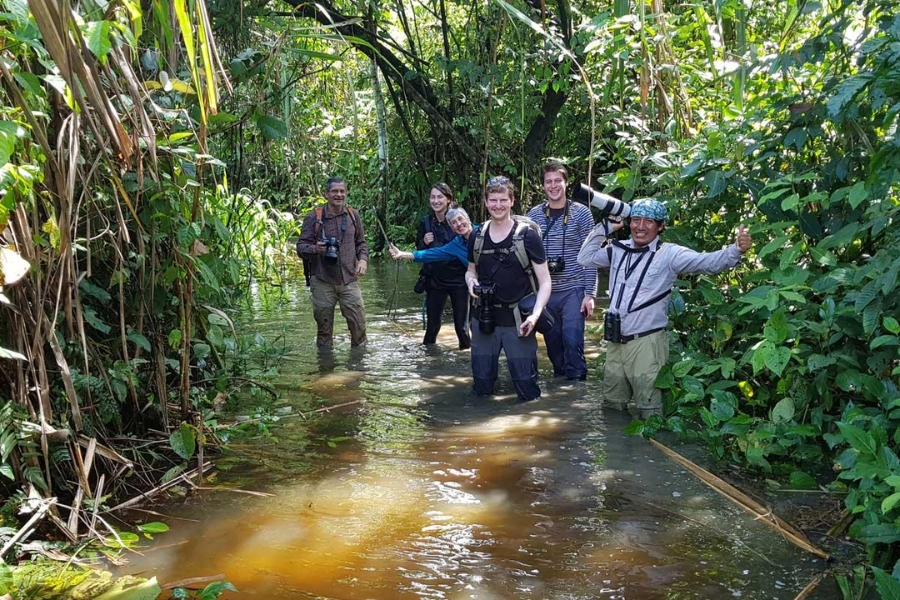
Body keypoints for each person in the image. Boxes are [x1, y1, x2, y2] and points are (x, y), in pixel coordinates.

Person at [577, 198, 753, 418]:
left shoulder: (670, 254)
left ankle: (647, 450)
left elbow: (707, 263)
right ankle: (617, 448)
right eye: (636, 220)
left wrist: (736, 250)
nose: (640, 227)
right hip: (615, 342)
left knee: (649, 410)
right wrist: (606, 227)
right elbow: (584, 258)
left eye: (648, 221)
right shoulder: (618, 250)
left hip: (647, 342)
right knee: (612, 407)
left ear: (660, 226)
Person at [465, 177, 552, 402]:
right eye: (493, 200)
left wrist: (535, 315)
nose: (498, 205)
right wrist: (470, 282)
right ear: (485, 202)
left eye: (503, 200)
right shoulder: (476, 236)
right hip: (484, 319)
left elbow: (545, 282)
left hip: (518, 321)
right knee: (481, 384)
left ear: (512, 201)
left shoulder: (528, 237)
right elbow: (470, 270)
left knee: (527, 387)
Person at [526, 162, 597, 381]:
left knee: (573, 340)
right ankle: (561, 390)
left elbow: (591, 256)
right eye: (549, 181)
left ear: (566, 183)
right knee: (554, 343)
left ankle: (577, 390)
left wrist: (590, 294)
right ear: (543, 185)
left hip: (573, 288)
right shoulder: (534, 215)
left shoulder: (582, 214)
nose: (553, 185)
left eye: (558, 180)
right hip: (545, 291)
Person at [296, 177, 369, 350]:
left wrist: (363, 260)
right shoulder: (314, 217)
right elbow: (300, 247)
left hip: (349, 279)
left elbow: (362, 243)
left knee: (359, 328)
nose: (339, 195)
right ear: (326, 194)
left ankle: (359, 368)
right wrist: (316, 249)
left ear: (346, 193)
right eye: (334, 191)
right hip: (322, 280)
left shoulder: (353, 215)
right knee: (324, 331)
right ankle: (326, 367)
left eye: (342, 191)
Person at [412, 184, 471, 349]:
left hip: (459, 280)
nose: (436, 201)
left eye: (440, 197)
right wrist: (424, 242)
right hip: (435, 280)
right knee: (432, 327)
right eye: (433, 197)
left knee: (462, 328)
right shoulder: (426, 222)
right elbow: (420, 251)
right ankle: (429, 365)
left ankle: (467, 363)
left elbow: (470, 244)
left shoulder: (457, 219)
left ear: (448, 200)